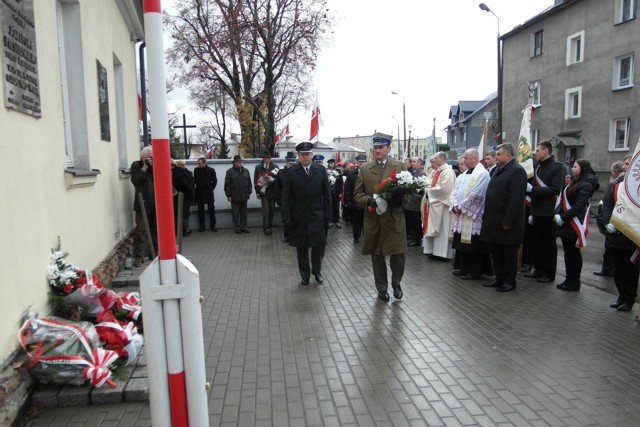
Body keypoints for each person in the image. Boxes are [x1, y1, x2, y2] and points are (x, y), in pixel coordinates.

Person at [353, 134, 407, 301]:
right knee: (377, 256)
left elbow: (408, 191)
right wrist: (368, 200)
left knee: (398, 255)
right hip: (374, 219)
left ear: (388, 149)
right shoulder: (365, 169)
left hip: (394, 218)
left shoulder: (399, 167)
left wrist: (401, 199)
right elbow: (357, 194)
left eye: (381, 147)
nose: (377, 150)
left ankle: (396, 283)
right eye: (375, 148)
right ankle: (382, 288)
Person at [281, 142, 332, 285]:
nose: (305, 157)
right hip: (299, 216)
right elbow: (285, 197)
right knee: (301, 247)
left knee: (318, 246)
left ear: (311, 155)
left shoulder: (320, 170)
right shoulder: (291, 172)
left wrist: (328, 216)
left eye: (307, 154)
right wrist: (286, 217)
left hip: (317, 216)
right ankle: (304, 274)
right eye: (302, 155)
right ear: (299, 156)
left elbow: (327, 195)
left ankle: (317, 271)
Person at [480, 143, 527, 292]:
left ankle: (509, 281)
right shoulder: (498, 170)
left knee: (508, 253)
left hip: (506, 222)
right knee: (496, 251)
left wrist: (508, 221)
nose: (496, 157)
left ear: (508, 156)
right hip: (493, 220)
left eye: (499, 154)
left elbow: (516, 199)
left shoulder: (517, 171)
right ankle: (499, 277)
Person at [524, 140, 564, 284]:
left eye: (538, 150)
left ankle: (549, 273)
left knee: (548, 245)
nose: (536, 153)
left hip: (548, 211)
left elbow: (555, 189)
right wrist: (532, 212)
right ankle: (538, 269)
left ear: (546, 151)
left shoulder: (557, 168)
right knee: (537, 243)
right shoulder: (539, 168)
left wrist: (532, 190)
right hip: (537, 211)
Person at [553, 159, 597, 291]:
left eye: (575, 167)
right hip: (566, 223)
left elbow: (579, 206)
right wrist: (557, 213)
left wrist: (564, 217)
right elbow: (562, 199)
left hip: (574, 223)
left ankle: (574, 281)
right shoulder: (573, 182)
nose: (572, 168)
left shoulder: (586, 185)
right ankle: (568, 279)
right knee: (568, 253)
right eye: (572, 166)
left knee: (574, 254)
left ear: (582, 168)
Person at [602, 155, 638, 311]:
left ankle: (629, 299)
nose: (625, 166)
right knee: (618, 270)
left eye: (629, 164)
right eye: (624, 163)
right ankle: (621, 295)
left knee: (630, 270)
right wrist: (607, 222)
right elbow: (607, 204)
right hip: (615, 235)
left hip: (630, 237)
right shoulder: (615, 184)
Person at [450, 149, 493, 279]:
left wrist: (461, 207)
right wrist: (455, 204)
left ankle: (474, 271)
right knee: (461, 243)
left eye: (466, 158)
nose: (464, 160)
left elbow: (477, 195)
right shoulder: (463, 175)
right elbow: (455, 191)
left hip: (473, 215)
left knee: (473, 244)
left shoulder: (482, 174)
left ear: (475, 158)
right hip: (462, 214)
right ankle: (463, 267)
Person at [422, 152, 456, 259]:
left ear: (441, 158)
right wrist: (427, 188)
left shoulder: (448, 172)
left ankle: (441, 253)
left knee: (442, 229)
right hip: (433, 203)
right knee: (433, 227)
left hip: (442, 205)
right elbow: (429, 183)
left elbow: (445, 189)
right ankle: (432, 251)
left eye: (436, 158)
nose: (434, 160)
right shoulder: (437, 171)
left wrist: (428, 191)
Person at [594, 160, 624, 277]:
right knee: (609, 247)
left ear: (615, 172)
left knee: (610, 247)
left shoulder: (615, 184)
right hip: (610, 220)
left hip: (615, 220)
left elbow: (608, 202)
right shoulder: (614, 183)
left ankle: (608, 269)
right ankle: (608, 269)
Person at [130, 146, 157, 263]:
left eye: (152, 158)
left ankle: (154, 254)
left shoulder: (154, 167)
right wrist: (145, 167)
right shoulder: (136, 165)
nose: (151, 160)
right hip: (142, 203)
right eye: (150, 158)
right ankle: (139, 256)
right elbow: (135, 181)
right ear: (143, 157)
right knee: (141, 230)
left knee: (154, 229)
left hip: (154, 203)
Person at [224, 155, 252, 234]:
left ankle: (244, 227)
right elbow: (227, 184)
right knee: (235, 213)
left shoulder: (246, 171)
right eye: (239, 162)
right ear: (235, 163)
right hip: (234, 196)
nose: (240, 163)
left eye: (241, 162)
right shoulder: (230, 172)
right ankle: (237, 228)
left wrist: (249, 192)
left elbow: (249, 183)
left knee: (244, 213)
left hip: (244, 195)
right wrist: (228, 195)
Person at [275, 152, 297, 243]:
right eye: (289, 162)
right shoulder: (281, 172)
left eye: (292, 163)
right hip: (285, 200)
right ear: (286, 162)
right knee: (286, 218)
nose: (291, 164)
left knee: (295, 218)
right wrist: (278, 199)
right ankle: (287, 236)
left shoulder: (298, 172)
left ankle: (295, 235)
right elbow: (277, 187)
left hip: (296, 199)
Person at [254, 152, 278, 235]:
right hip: (263, 193)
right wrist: (257, 191)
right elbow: (255, 181)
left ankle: (270, 226)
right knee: (265, 212)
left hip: (272, 192)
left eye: (270, 158)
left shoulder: (275, 167)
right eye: (267, 158)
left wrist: (272, 181)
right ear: (263, 158)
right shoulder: (258, 167)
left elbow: (277, 179)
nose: (268, 159)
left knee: (271, 211)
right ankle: (266, 228)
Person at [344, 154, 366, 243]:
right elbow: (347, 188)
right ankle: (356, 237)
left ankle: (366, 237)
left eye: (363, 162)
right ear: (357, 163)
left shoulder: (368, 173)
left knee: (365, 221)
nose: (361, 163)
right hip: (355, 202)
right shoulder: (351, 173)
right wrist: (348, 201)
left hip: (366, 201)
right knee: (356, 221)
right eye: (360, 162)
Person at [404, 157, 426, 247]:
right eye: (412, 162)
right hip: (410, 202)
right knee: (411, 222)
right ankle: (412, 237)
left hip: (416, 202)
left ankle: (416, 239)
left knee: (415, 222)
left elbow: (421, 188)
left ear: (420, 163)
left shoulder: (422, 174)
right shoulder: (413, 172)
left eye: (414, 162)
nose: (412, 163)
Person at [193, 157, 218, 232]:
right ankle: (202, 226)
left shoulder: (211, 170)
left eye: (200, 163)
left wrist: (210, 189)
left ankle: (213, 226)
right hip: (199, 192)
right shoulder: (196, 170)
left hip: (208, 193)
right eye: (198, 164)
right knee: (200, 210)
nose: (199, 165)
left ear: (204, 163)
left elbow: (215, 181)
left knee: (211, 209)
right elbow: (195, 180)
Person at [171, 159, 195, 236]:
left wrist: (189, 190)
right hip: (179, 196)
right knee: (182, 213)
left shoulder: (186, 172)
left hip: (184, 196)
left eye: (184, 165)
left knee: (185, 213)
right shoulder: (179, 172)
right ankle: (183, 230)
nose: (183, 166)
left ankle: (185, 229)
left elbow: (190, 183)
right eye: (181, 165)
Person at [326, 158, 343, 228]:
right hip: (329, 193)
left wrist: (341, 192)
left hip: (336, 193)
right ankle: (330, 221)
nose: (331, 165)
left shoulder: (338, 172)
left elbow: (341, 183)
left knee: (336, 207)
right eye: (330, 163)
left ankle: (336, 221)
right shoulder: (326, 172)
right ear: (328, 164)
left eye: (332, 163)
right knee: (330, 207)